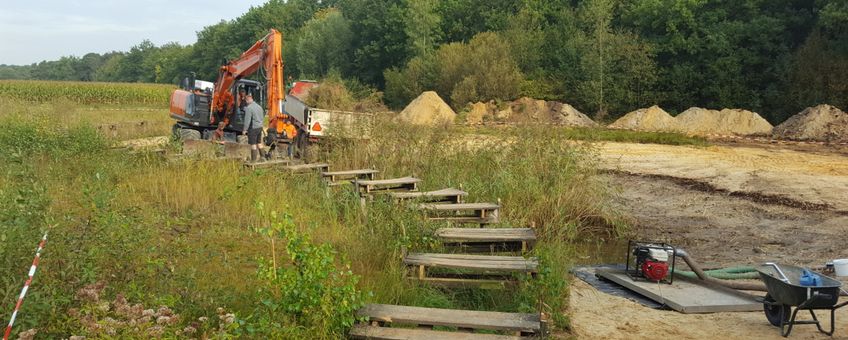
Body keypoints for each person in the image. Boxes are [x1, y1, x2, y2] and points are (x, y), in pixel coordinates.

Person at [242, 94, 266, 162]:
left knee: (253, 144)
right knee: (259, 143)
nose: (246, 103)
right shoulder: (259, 107)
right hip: (259, 127)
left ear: (247, 100)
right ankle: (263, 158)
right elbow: (262, 117)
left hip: (253, 128)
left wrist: (244, 129)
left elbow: (247, 120)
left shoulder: (249, 108)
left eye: (246, 101)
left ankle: (253, 160)